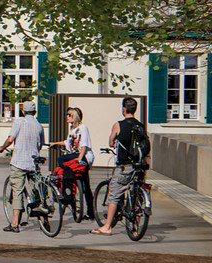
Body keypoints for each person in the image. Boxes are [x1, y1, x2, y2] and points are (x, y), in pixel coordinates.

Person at [91, 97, 150, 235]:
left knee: (114, 195)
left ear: (123, 109)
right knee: (135, 195)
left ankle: (106, 226)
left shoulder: (119, 125)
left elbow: (111, 142)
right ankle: (135, 229)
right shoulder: (140, 125)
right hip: (139, 166)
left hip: (125, 166)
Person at [0, 97, 45, 232]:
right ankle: (44, 220)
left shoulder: (20, 122)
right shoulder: (39, 125)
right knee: (37, 189)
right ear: (35, 112)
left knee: (17, 191)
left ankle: (14, 224)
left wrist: (1, 147)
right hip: (33, 163)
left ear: (23, 112)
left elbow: (11, 139)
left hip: (19, 162)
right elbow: (40, 145)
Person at [56, 106, 92, 210]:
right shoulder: (72, 129)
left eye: (69, 115)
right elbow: (68, 143)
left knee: (61, 159)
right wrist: (55, 143)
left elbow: (84, 145)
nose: (67, 117)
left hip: (83, 156)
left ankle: (89, 211)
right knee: (85, 185)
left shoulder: (83, 127)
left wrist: (80, 159)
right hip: (75, 155)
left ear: (75, 116)